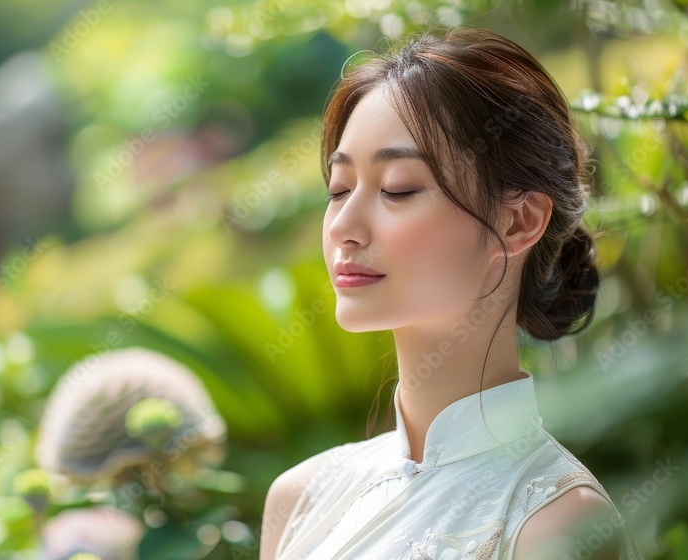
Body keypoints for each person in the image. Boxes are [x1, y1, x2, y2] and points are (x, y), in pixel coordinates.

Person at [260, 26, 643, 560]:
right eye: (339, 189)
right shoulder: (302, 498)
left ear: (518, 221)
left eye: (398, 188)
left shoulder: (554, 522)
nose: (343, 224)